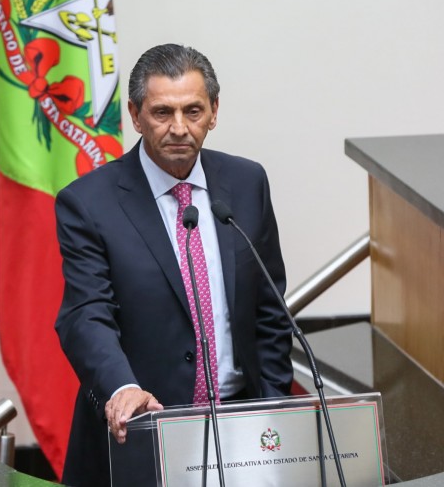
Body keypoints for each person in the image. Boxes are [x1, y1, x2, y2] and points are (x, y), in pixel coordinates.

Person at [54, 43, 293, 486]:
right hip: (140, 431)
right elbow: (85, 314)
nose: (179, 128)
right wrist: (123, 389)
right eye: (163, 112)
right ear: (135, 115)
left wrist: (273, 408)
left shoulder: (247, 183)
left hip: (240, 432)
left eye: (193, 111)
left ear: (214, 111)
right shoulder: (89, 203)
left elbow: (270, 312)